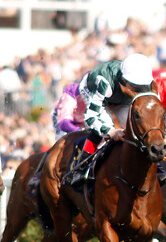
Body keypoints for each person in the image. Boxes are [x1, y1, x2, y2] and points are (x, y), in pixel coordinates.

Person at [64, 53, 157, 187]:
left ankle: (155, 165)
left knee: (136, 125)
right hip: (92, 90)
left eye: (142, 87)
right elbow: (90, 118)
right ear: (124, 81)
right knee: (105, 125)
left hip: (120, 97)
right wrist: (111, 132)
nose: (139, 91)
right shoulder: (104, 83)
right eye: (136, 87)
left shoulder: (146, 82)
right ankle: (80, 167)